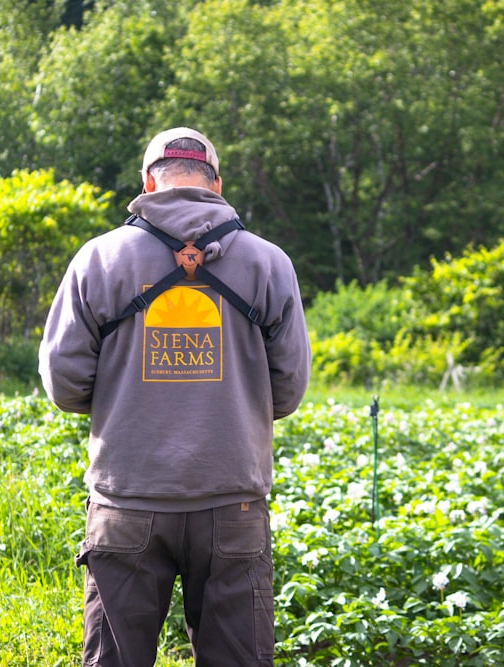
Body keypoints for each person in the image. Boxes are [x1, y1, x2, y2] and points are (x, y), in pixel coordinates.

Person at [39, 127, 311, 667]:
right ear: (216, 184)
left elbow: (64, 384)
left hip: (127, 499)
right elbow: (289, 388)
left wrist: (127, 397)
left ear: (148, 182)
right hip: (231, 499)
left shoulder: (99, 260)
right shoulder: (268, 263)